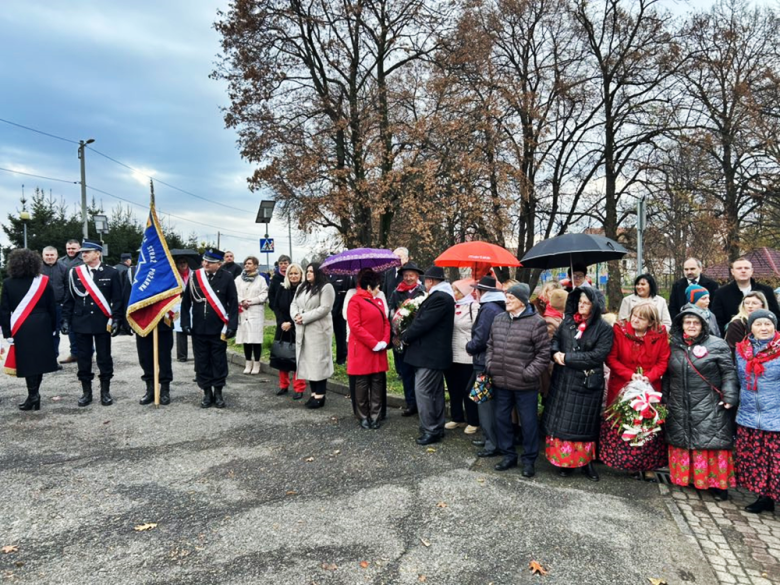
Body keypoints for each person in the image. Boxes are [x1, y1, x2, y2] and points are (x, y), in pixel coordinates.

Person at [665, 305, 738, 501]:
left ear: (703, 325)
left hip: (710, 402)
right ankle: (689, 478)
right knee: (685, 438)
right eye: (687, 322)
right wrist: (663, 400)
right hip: (680, 401)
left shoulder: (717, 344)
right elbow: (666, 376)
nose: (691, 326)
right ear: (681, 325)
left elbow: (728, 372)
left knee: (711, 440)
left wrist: (730, 397)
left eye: (695, 322)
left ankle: (717, 485)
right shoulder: (673, 345)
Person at [543, 287, 614, 481]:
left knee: (584, 424)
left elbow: (597, 355)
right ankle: (564, 462)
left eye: (586, 303)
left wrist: (568, 357)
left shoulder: (604, 328)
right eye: (580, 301)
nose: (581, 305)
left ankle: (585, 462)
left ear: (595, 305)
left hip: (586, 382)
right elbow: (556, 340)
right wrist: (555, 352)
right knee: (562, 420)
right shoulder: (567, 322)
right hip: (563, 379)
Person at [486, 283, 551, 477]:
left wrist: (528, 373)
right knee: (502, 419)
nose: (507, 300)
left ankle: (529, 460)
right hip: (501, 381)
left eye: (511, 298)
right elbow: (490, 345)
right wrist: (490, 365)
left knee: (529, 422)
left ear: (522, 301)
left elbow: (543, 354)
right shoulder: (499, 319)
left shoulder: (536, 322)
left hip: (525, 384)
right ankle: (508, 455)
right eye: (507, 297)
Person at [601, 303, 670, 477]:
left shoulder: (660, 334)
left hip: (649, 387)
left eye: (641, 318)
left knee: (647, 426)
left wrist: (650, 376)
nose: (636, 320)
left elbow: (663, 361)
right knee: (626, 424)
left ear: (651, 322)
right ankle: (626, 463)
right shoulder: (620, 330)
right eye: (634, 316)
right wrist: (630, 375)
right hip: (623, 385)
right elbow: (611, 358)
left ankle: (648, 466)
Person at [61, 240, 123, 407]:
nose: (83, 254)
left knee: (104, 357)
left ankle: (105, 391)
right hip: (80, 321)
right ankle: (86, 392)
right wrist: (65, 319)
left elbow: (117, 299)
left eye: (87, 251)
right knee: (83, 358)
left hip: (102, 321)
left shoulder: (111, 272)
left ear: (98, 253)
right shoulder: (75, 273)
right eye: (83, 252)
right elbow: (69, 299)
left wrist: (117, 319)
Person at [401, 266, 455, 446]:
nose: (424, 284)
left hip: (430, 354)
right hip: (432, 354)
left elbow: (424, 323)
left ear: (431, 281)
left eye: (426, 281)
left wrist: (405, 336)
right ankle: (436, 427)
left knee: (423, 391)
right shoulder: (442, 296)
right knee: (434, 391)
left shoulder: (440, 297)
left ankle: (430, 429)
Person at [0, 249, 59, 410]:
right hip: (42, 324)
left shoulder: (8, 283)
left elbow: (4, 311)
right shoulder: (44, 281)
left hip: (22, 327)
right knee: (38, 362)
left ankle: (33, 396)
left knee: (27, 363)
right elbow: (51, 307)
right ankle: (34, 395)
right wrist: (54, 327)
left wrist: (7, 332)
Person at [734, 310, 780, 514]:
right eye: (758, 324)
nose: (763, 328)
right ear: (750, 328)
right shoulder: (741, 351)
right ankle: (765, 498)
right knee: (758, 460)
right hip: (749, 413)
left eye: (767, 324)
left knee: (776, 462)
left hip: (776, 414)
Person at [181, 249, 239, 408]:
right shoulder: (195, 277)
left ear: (219, 264)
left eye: (210, 262)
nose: (205, 264)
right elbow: (186, 303)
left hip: (218, 329)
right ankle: (206, 392)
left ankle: (218, 392)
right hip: (199, 328)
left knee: (219, 361)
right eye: (204, 261)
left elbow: (233, 304)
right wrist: (185, 323)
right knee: (202, 361)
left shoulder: (226, 277)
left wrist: (232, 325)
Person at [465, 276, 506, 456]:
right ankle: (490, 438)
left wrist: (469, 347)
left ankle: (492, 443)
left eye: (477, 290)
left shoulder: (488, 309)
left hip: (483, 362)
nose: (475, 292)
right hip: (490, 361)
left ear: (484, 292)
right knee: (484, 399)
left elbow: (481, 338)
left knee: (485, 403)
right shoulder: (496, 307)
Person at [124, 263, 175, 406]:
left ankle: (165, 389)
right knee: (145, 357)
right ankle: (150, 388)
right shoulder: (134, 271)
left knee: (164, 358)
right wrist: (127, 320)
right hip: (142, 320)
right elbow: (127, 295)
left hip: (162, 322)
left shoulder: (166, 268)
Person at [346, 270, 390, 428]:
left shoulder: (377, 301)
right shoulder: (355, 301)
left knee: (377, 381)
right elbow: (355, 327)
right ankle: (363, 415)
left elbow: (386, 322)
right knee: (362, 382)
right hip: (363, 348)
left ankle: (375, 415)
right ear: (369, 286)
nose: (378, 290)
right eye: (377, 286)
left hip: (378, 347)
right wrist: (374, 343)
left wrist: (385, 340)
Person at [290, 262, 335, 409]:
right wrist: (296, 315)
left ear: (319, 273)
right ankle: (313, 392)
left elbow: (325, 308)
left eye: (312, 271)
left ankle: (320, 395)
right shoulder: (302, 287)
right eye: (307, 271)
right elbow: (294, 304)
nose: (308, 273)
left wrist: (304, 317)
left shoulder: (326, 287)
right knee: (308, 361)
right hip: (303, 329)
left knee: (318, 362)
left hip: (318, 330)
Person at [388, 262, 426, 417]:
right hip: (401, 339)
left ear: (417, 276)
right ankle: (410, 403)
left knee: (420, 374)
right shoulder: (396, 292)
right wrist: (394, 334)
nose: (408, 278)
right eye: (406, 275)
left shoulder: (423, 292)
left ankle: (422, 403)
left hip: (419, 339)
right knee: (406, 373)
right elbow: (391, 313)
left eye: (411, 275)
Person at [444, 279, 479, 434]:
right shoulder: (451, 306)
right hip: (451, 352)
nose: (454, 293)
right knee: (453, 387)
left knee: (467, 389)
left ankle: (473, 420)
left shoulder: (474, 306)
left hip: (467, 355)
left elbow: (479, 330)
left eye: (457, 290)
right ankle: (457, 417)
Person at [711, 257, 780, 334]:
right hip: (734, 336)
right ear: (732, 272)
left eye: (746, 268)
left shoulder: (766, 291)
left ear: (752, 271)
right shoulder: (721, 293)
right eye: (739, 268)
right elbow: (718, 320)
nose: (743, 271)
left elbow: (776, 315)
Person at [272, 263, 306, 397]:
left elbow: (303, 309)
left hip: (298, 326)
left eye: (296, 273)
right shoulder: (282, 288)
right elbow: (276, 306)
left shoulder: (304, 290)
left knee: (298, 358)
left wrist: (291, 323)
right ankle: (283, 385)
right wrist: (282, 322)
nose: (293, 276)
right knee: (282, 356)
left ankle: (299, 388)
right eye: (290, 273)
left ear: (301, 275)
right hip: (282, 327)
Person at [235, 256, 269, 375]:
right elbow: (234, 292)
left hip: (255, 311)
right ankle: (248, 362)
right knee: (246, 339)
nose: (247, 265)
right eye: (245, 263)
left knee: (255, 339)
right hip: (243, 311)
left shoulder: (261, 280)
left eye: (249, 263)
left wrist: (251, 301)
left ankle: (257, 363)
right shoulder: (238, 279)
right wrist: (242, 301)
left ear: (256, 265)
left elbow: (264, 294)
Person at [57, 239, 83, 364]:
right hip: (66, 299)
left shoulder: (84, 260)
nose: (70, 251)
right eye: (68, 248)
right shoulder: (60, 262)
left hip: (81, 297)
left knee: (84, 327)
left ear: (79, 248)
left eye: (73, 248)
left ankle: (88, 353)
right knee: (70, 327)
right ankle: (75, 353)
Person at [540, 289, 568, 401]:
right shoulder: (550, 322)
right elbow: (549, 349)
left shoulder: (558, 318)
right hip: (552, 368)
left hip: (556, 365)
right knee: (551, 398)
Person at [40, 245, 67, 361]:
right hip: (40, 307)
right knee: (41, 333)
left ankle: (53, 358)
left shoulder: (64, 268)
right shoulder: (36, 269)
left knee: (55, 333)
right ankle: (41, 358)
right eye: (47, 255)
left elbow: (67, 287)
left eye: (52, 255)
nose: (49, 257)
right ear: (42, 256)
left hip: (57, 306)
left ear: (57, 256)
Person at [172, 255, 194, 362]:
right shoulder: (173, 275)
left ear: (188, 263)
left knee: (195, 328)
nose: (182, 264)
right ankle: (182, 355)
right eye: (180, 262)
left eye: (184, 261)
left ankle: (197, 353)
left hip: (193, 304)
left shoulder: (194, 274)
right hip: (178, 304)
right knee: (180, 329)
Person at [329, 272, 352, 365]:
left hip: (339, 311)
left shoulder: (344, 275)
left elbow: (346, 292)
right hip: (326, 310)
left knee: (340, 336)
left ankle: (341, 358)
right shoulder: (324, 276)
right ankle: (327, 358)